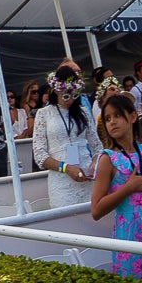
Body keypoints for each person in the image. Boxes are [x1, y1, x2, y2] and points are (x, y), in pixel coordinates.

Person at [90, 93, 142, 283]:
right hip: (129, 235)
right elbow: (96, 210)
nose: (112, 122)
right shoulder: (107, 159)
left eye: (118, 115)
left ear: (133, 117)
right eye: (108, 118)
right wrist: (128, 188)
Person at [34, 64, 100, 210]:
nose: (70, 99)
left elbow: (97, 145)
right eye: (65, 94)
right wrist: (66, 168)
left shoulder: (83, 111)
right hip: (61, 181)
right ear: (56, 90)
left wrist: (95, 163)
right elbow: (39, 155)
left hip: (86, 175)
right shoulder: (44, 114)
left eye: (74, 94)